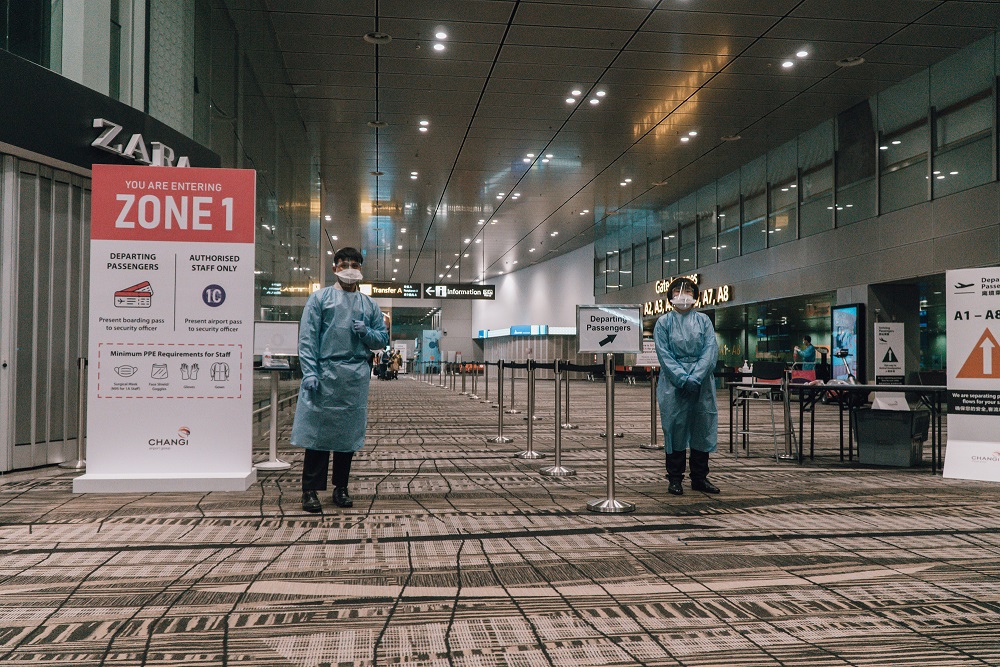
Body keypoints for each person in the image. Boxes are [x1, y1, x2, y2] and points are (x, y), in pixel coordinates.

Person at [291, 247, 389, 513]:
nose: (349, 268)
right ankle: (310, 490)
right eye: (344, 264)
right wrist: (309, 371)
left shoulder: (369, 305)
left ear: (360, 270)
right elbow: (308, 339)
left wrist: (367, 332)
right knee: (317, 433)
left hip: (354, 376)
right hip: (324, 373)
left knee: (347, 436)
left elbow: (382, 339)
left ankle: (341, 487)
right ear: (334, 268)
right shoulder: (320, 299)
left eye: (354, 264)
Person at [654, 276, 720, 496]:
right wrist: (682, 378)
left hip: (702, 383)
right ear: (670, 296)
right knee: (675, 428)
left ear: (696, 296)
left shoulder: (704, 321)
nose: (683, 295)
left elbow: (710, 351)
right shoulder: (664, 322)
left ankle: (700, 478)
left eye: (688, 291)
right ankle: (675, 479)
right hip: (673, 384)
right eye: (677, 291)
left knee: (702, 426)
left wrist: (698, 376)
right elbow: (664, 355)